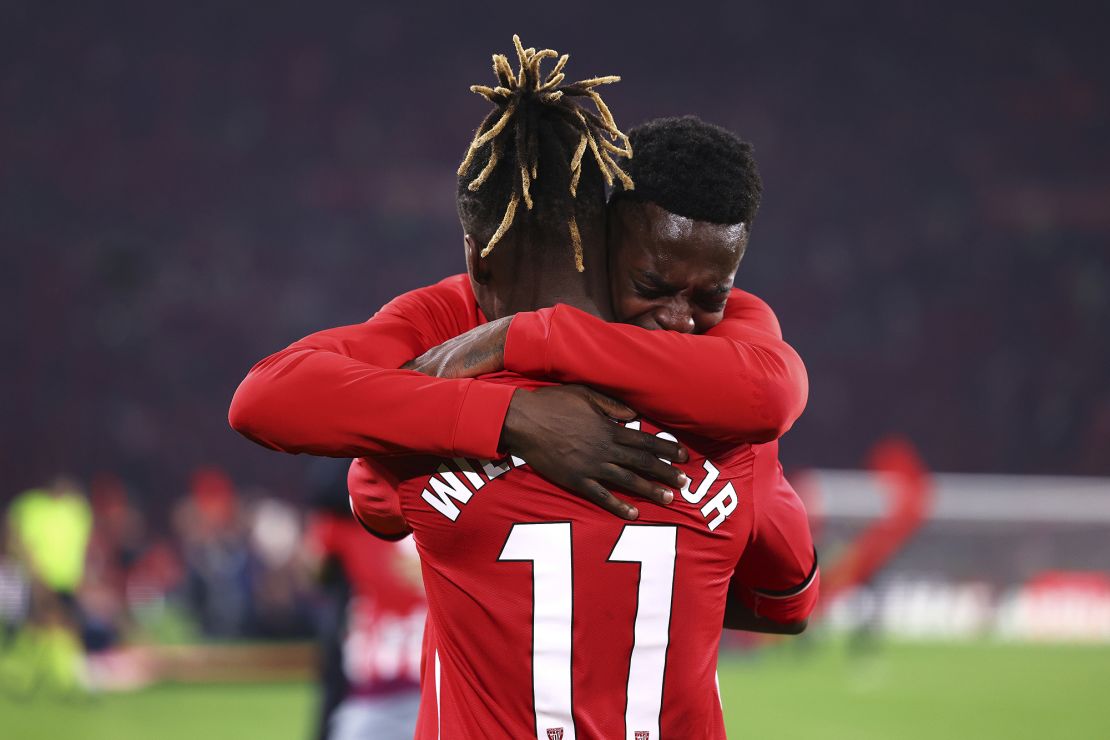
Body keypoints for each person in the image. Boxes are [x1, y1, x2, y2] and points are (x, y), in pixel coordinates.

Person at [232, 37, 817, 738]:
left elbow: (368, 494)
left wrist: (513, 355)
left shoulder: (436, 357)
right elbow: (787, 596)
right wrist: (516, 417)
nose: (677, 318)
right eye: (654, 287)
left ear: (477, 257)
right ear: (608, 236)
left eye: (705, 297)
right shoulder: (728, 413)